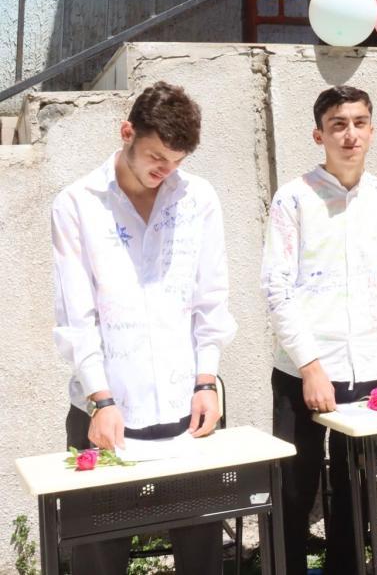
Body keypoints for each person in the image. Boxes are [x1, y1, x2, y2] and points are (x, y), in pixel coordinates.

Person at [52, 81, 237, 575]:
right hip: (105, 412)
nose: (164, 170)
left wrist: (206, 381)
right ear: (127, 132)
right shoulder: (77, 204)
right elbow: (76, 315)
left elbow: (210, 298)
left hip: (184, 410)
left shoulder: (198, 198)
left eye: (176, 161)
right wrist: (101, 399)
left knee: (203, 560)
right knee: (98, 561)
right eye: (156, 156)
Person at [262, 85, 377, 575]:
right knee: (294, 489)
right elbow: (277, 288)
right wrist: (310, 367)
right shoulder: (294, 198)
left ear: (372, 130)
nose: (350, 134)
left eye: (359, 123)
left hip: (368, 370)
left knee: (355, 490)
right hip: (302, 372)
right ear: (319, 135)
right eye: (338, 125)